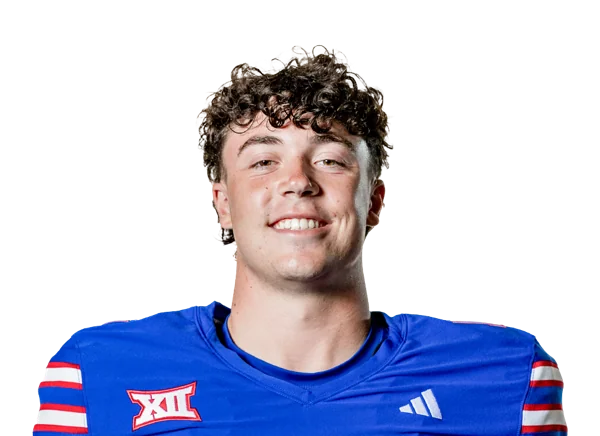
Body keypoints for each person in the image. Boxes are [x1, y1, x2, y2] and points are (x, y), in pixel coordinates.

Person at [33, 45, 567, 435]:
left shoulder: (505, 378)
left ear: (374, 200)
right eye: (264, 161)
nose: (297, 181)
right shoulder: (96, 374)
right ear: (222, 202)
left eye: (330, 160)